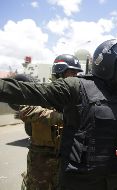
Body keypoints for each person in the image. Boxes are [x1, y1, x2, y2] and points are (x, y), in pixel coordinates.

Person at [0, 37, 117, 190]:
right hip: (78, 182)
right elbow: (31, 91)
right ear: (109, 63)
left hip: (114, 181)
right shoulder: (76, 87)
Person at [16, 54, 83, 190]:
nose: (75, 77)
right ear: (60, 72)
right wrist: (58, 117)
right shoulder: (45, 91)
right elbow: (25, 110)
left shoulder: (75, 95)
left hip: (65, 157)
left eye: (77, 73)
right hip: (42, 158)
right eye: (72, 72)